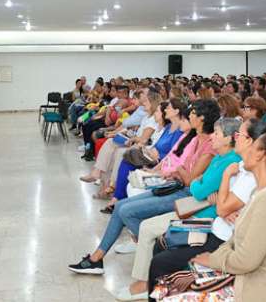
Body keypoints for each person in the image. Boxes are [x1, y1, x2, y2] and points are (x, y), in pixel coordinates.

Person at [117, 119, 266, 301]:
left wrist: (219, 191)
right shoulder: (236, 164)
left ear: (251, 142)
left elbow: (209, 197)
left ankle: (151, 287)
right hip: (208, 218)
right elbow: (199, 185)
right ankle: (153, 287)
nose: (212, 136)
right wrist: (215, 193)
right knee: (160, 243)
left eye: (239, 135)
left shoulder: (238, 168)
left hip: (212, 225)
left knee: (159, 257)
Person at [68, 99, 219, 275]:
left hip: (186, 195)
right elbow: (184, 169)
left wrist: (180, 170)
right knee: (120, 207)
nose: (189, 116)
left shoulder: (208, 145)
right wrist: (180, 170)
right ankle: (96, 258)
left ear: (202, 118)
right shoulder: (194, 140)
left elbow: (189, 180)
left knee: (126, 211)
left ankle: (155, 248)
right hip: (175, 185)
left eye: (193, 113)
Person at [180, 132, 266, 302]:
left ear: (261, 154)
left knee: (172, 285)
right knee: (176, 278)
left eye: (253, 146)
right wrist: (215, 257)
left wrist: (213, 259)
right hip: (242, 276)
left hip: (252, 288)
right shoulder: (263, 191)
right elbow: (234, 239)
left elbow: (245, 261)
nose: (247, 150)